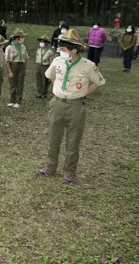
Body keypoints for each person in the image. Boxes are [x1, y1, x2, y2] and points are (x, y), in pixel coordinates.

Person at [37, 29, 106, 184]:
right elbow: (50, 75)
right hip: (57, 103)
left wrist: (83, 93)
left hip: (76, 107)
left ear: (73, 50)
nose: (59, 51)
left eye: (62, 49)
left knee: (73, 140)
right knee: (53, 138)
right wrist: (59, 89)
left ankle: (69, 172)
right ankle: (50, 167)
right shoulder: (57, 62)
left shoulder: (88, 65)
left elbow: (100, 82)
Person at [5, 28, 29, 108]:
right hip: (13, 66)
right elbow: (7, 60)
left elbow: (25, 59)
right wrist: (10, 71)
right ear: (16, 38)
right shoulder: (9, 47)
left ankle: (18, 101)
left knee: (20, 84)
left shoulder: (23, 47)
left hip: (21, 66)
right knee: (12, 84)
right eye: (21, 37)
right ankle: (12, 100)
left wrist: (26, 69)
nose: (22, 38)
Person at [35, 35, 54, 99]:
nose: (41, 43)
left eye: (43, 42)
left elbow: (52, 62)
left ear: (46, 43)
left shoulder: (50, 52)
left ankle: (44, 94)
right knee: (38, 80)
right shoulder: (38, 50)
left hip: (45, 66)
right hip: (38, 66)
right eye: (41, 41)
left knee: (45, 81)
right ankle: (39, 92)